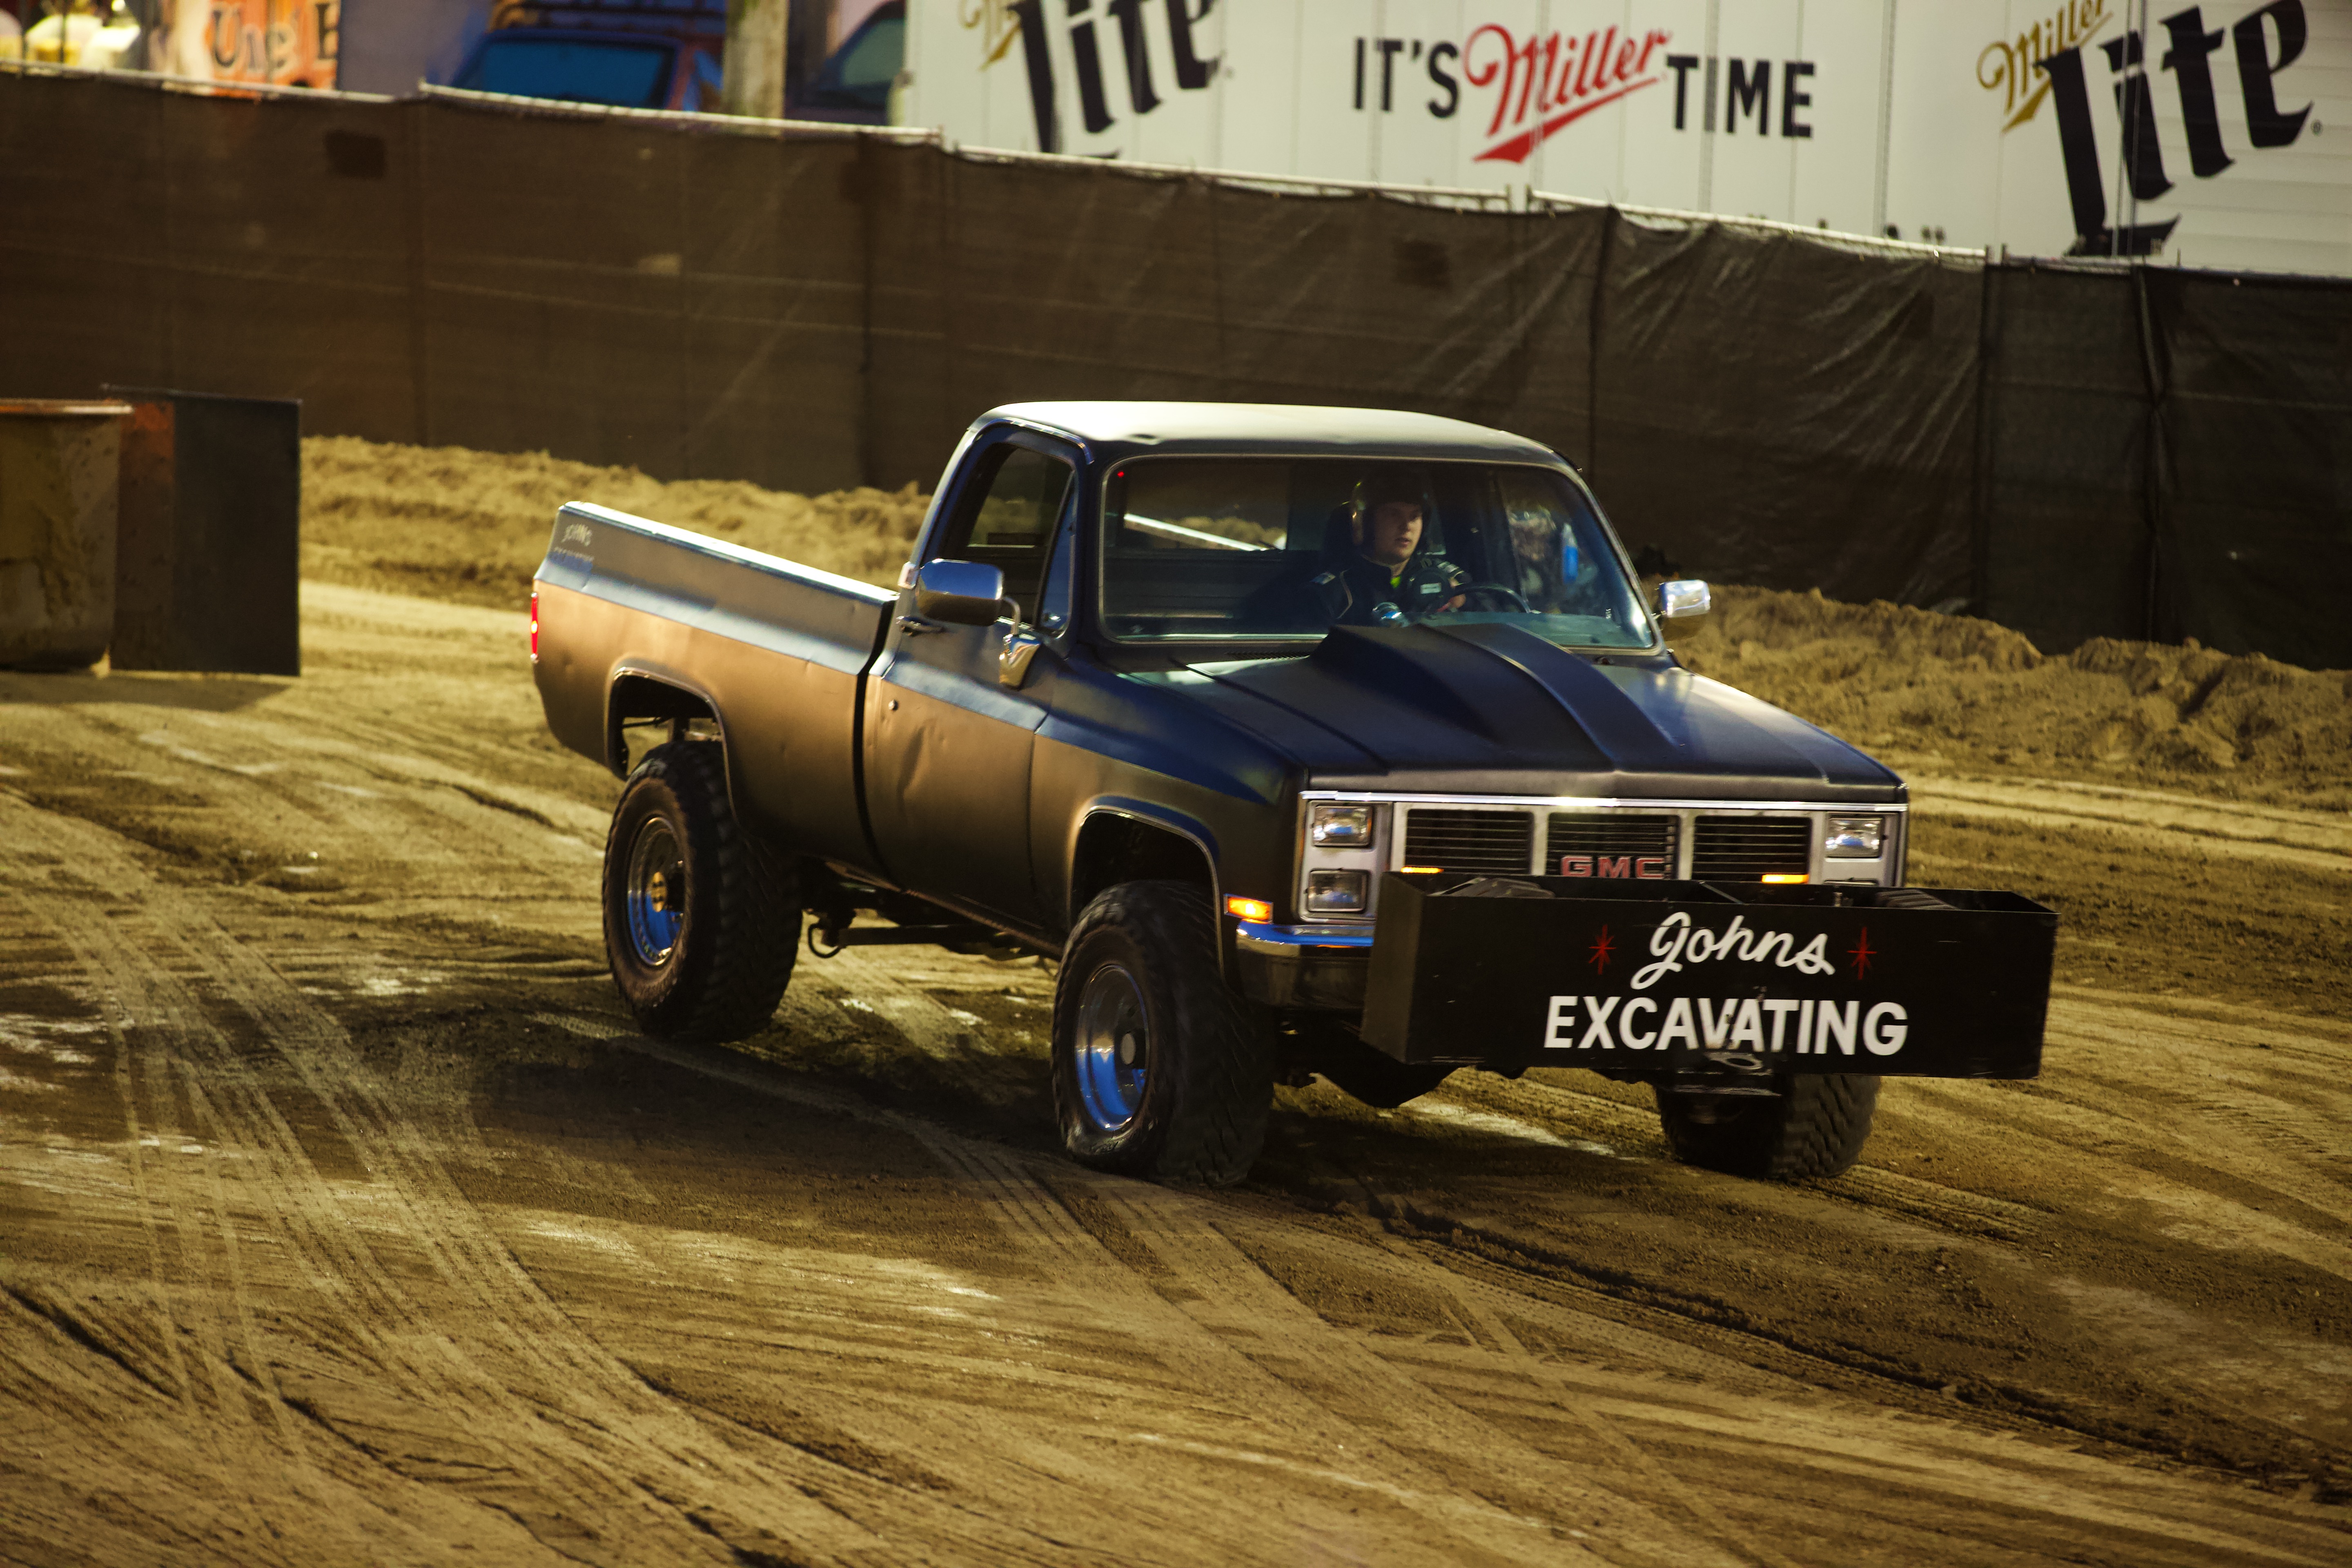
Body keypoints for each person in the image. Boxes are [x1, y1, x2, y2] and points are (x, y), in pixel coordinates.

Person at [1309, 473, 1469, 624]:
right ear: (1366, 522)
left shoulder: (1446, 577)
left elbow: (1485, 610)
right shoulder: (1331, 593)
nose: (1407, 526)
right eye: (1394, 514)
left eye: (1414, 516)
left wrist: (1463, 601)